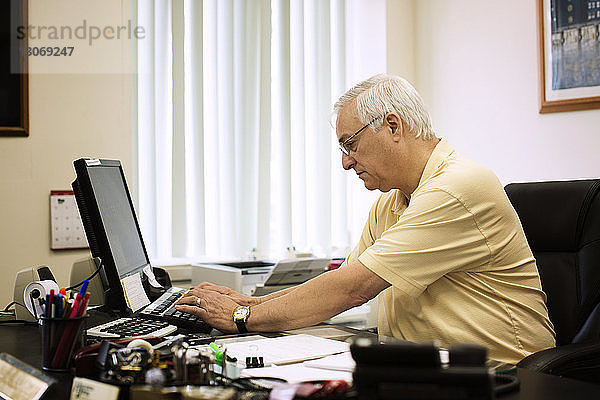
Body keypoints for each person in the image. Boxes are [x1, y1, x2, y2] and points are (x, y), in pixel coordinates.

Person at [175, 74, 556, 364]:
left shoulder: (458, 186)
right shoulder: (392, 201)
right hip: (422, 367)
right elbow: (342, 279)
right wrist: (251, 305)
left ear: (393, 126)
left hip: (502, 375)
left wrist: (242, 317)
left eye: (350, 145)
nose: (345, 162)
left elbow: (354, 289)